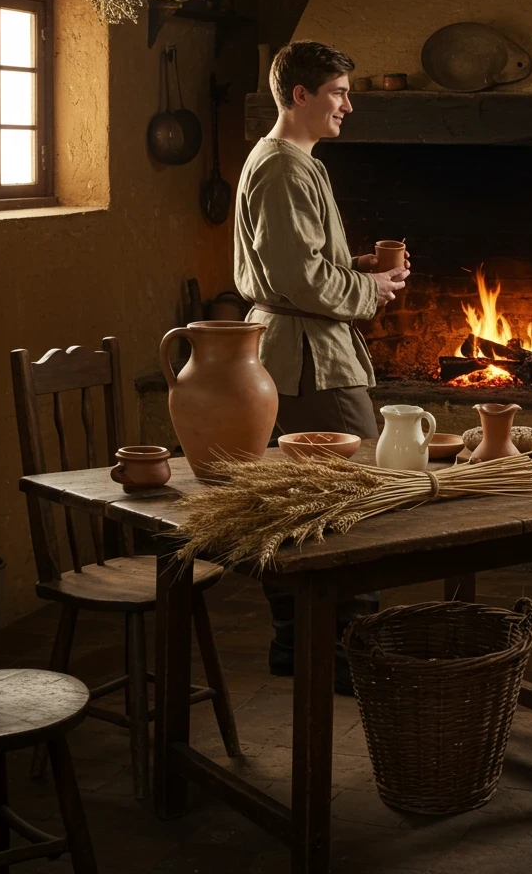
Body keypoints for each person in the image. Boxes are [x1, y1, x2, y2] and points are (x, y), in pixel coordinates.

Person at [234, 40, 409, 694]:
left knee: (297, 501)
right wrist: (370, 290)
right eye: (338, 93)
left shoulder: (298, 161)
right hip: (307, 359)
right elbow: (297, 279)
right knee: (355, 494)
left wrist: (357, 267)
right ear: (300, 94)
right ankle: (346, 651)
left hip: (299, 346)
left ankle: (295, 643)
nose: (348, 106)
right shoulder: (282, 167)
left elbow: (300, 263)